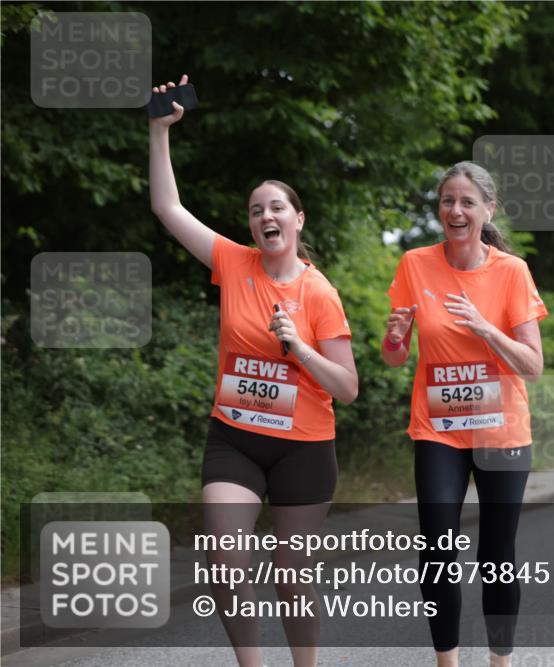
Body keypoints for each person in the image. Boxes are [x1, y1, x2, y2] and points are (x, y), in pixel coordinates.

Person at [149, 75, 358, 667]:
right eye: (255, 210)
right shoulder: (233, 264)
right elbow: (167, 207)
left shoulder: (320, 294)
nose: (265, 216)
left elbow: (347, 387)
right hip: (236, 437)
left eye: (276, 208)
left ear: (297, 221)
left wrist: (301, 350)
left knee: (294, 581)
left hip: (304, 447)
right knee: (225, 557)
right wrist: (159, 130)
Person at [382, 161, 547, 667]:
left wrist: (486, 329)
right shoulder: (415, 263)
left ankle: (501, 662)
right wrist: (393, 338)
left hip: (502, 433)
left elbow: (534, 366)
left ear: (487, 210)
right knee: (436, 552)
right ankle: (447, 663)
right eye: (447, 201)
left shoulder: (511, 272)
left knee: (496, 558)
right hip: (439, 430)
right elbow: (395, 356)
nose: (455, 211)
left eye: (467, 202)